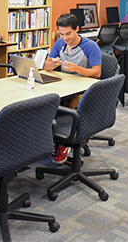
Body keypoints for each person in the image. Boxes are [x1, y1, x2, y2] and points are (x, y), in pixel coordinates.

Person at [44, 13, 102, 164]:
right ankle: (45, 139)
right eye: (61, 34)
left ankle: (64, 142)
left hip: (85, 88)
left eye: (68, 33)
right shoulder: (59, 43)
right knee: (44, 101)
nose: (65, 38)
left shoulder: (90, 46)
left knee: (70, 104)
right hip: (64, 85)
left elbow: (97, 72)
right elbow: (46, 65)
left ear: (77, 29)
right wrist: (53, 64)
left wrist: (77, 69)